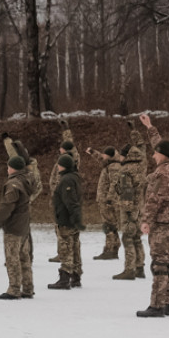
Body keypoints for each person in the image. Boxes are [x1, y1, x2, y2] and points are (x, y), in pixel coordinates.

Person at [136, 114, 169, 317]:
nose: (153, 156)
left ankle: (156, 305)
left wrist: (146, 220)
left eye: (155, 154)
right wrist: (150, 128)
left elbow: (154, 200)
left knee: (160, 265)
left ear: (162, 155)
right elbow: (163, 147)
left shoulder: (161, 174)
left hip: (161, 225)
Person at [0, 156, 35, 299]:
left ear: (12, 168)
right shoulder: (27, 179)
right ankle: (28, 288)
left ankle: (14, 289)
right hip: (24, 225)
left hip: (14, 226)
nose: (7, 169)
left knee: (12, 258)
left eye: (8, 166)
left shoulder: (13, 184)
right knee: (24, 257)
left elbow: (8, 205)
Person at [112, 123, 148, 280]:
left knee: (127, 237)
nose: (119, 158)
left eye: (121, 155)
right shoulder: (142, 164)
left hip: (130, 209)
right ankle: (140, 267)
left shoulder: (125, 170)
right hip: (140, 206)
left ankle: (129, 269)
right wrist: (134, 131)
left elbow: (126, 192)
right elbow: (141, 146)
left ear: (126, 155)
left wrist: (127, 211)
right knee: (137, 237)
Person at [48, 154, 84, 289]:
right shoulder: (74, 177)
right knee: (74, 248)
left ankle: (64, 278)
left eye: (59, 164)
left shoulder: (67, 180)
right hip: (72, 218)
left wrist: (73, 217)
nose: (57, 166)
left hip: (66, 219)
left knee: (65, 248)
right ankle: (75, 276)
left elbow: (70, 201)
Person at [47, 118, 79, 264]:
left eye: (61, 148)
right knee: (58, 228)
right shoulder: (65, 158)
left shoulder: (71, 158)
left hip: (63, 198)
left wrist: (66, 130)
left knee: (63, 229)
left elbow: (70, 145)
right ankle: (62, 252)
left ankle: (65, 254)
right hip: (58, 197)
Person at [88, 146, 121, 260]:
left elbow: (114, 183)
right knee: (110, 225)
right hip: (105, 200)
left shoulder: (114, 167)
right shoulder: (110, 163)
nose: (102, 157)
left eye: (104, 155)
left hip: (108, 201)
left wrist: (109, 199)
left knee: (109, 225)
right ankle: (113, 248)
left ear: (109, 156)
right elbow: (101, 159)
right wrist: (93, 152)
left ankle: (110, 249)